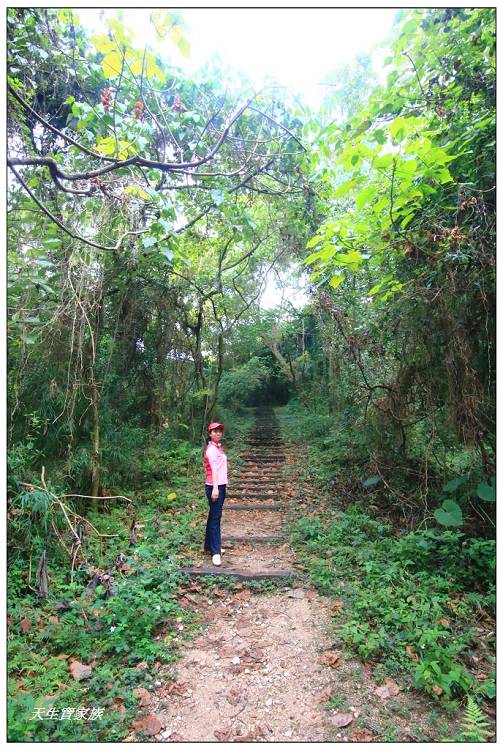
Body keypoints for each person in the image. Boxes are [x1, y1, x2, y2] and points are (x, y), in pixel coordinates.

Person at [203, 421, 228, 566]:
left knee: (213, 516)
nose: (218, 433)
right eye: (215, 431)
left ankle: (209, 546)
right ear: (210, 433)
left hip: (220, 485)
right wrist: (216, 488)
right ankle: (215, 552)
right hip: (214, 486)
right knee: (215, 518)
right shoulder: (212, 450)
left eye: (219, 431)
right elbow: (213, 470)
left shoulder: (217, 448)